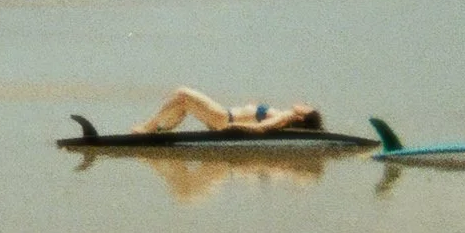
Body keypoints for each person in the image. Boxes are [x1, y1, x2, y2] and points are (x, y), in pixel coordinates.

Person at [133, 86, 323, 134]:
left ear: (300, 117)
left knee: (182, 92)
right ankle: (159, 129)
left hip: (224, 118)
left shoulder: (285, 116)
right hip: (223, 117)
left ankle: (148, 128)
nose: (304, 103)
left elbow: (261, 128)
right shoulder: (285, 115)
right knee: (182, 103)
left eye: (306, 108)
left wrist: (232, 126)